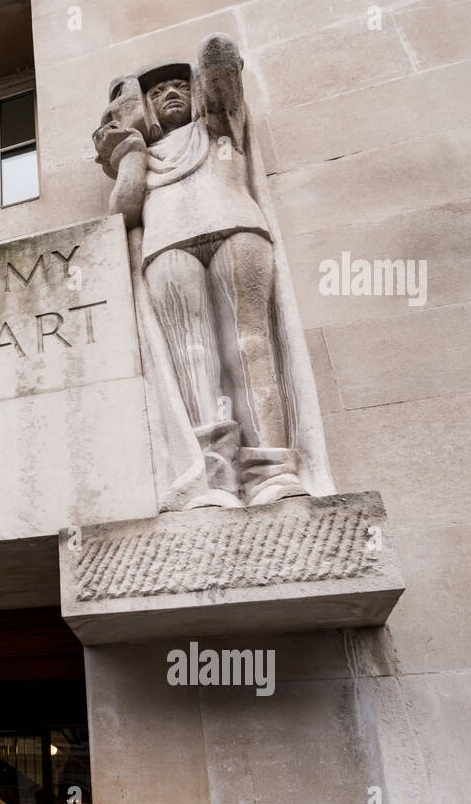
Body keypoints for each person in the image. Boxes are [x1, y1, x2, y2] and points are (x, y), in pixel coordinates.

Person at [93, 34, 331, 509]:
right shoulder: (143, 152)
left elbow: (221, 69)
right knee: (193, 355)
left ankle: (271, 470)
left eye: (180, 85)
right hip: (166, 245)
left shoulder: (219, 127)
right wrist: (129, 145)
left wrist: (206, 72)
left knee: (249, 345)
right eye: (157, 92)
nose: (170, 94)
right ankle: (214, 476)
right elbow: (123, 211)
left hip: (236, 228)